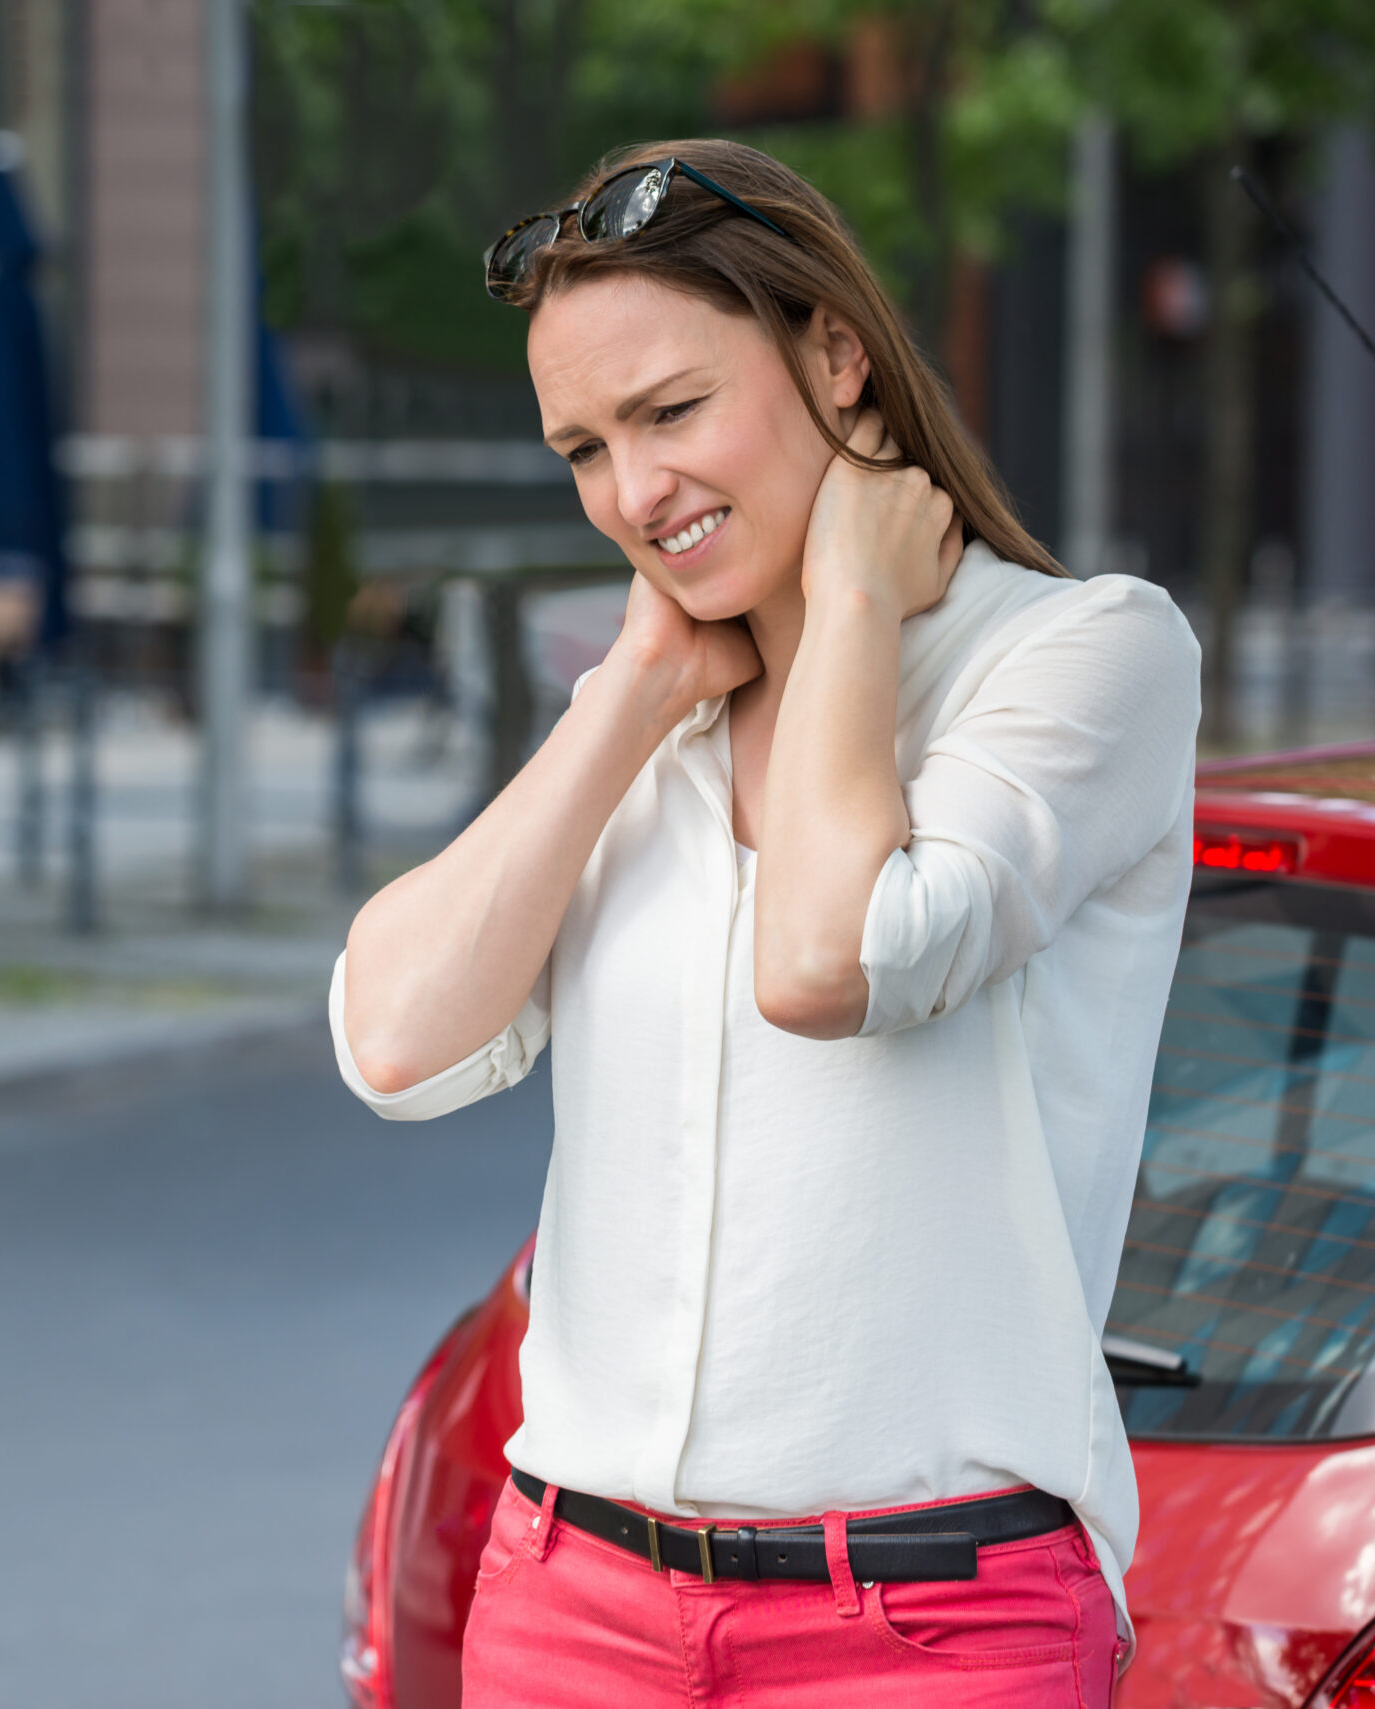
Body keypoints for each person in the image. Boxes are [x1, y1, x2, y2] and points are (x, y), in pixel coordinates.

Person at [332, 139, 1197, 1707]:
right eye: (583, 448)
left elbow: (832, 959)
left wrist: (856, 604)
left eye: (670, 412)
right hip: (572, 1604)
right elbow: (393, 1041)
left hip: (931, 1627)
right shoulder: (652, 715)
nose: (633, 491)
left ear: (836, 353)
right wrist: (635, 690)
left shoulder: (1085, 658)